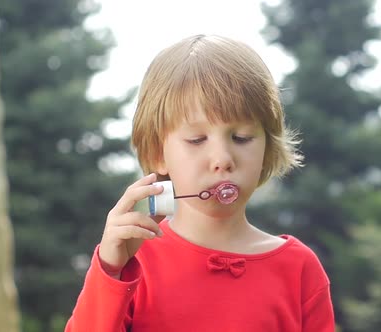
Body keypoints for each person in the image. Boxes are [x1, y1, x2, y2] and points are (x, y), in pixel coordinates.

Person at [65, 34, 334, 331]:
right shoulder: (135, 260)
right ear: (158, 153)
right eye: (197, 139)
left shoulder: (299, 270)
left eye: (242, 138)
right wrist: (110, 270)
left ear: (267, 150)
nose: (222, 158)